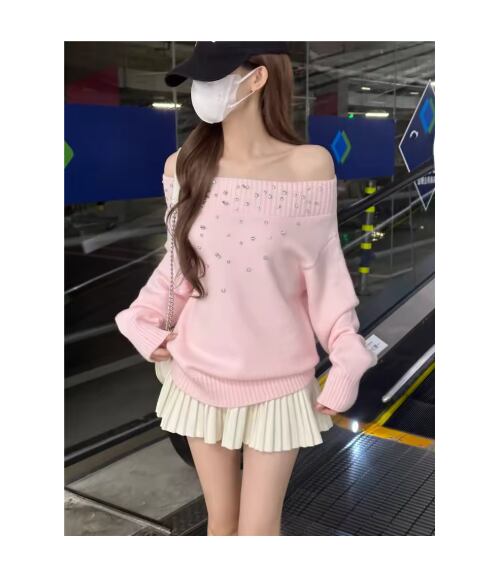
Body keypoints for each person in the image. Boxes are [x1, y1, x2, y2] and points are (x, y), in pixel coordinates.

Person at [115, 42, 378, 536]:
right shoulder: (182, 166)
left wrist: (348, 357)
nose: (200, 90)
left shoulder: (309, 166)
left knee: (258, 530)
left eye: (212, 77)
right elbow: (178, 266)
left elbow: (324, 275)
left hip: (278, 382)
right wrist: (139, 322)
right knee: (220, 525)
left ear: (257, 78)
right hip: (197, 373)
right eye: (197, 79)